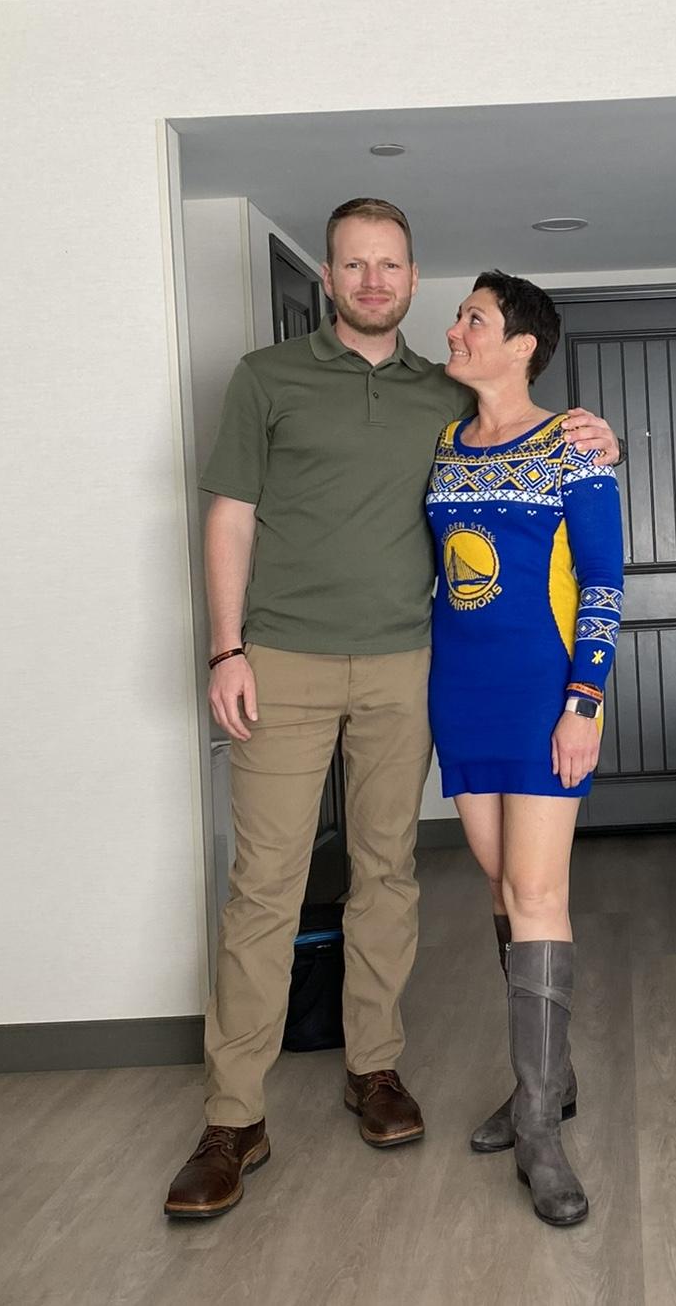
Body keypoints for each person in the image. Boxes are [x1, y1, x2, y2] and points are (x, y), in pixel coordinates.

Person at [163, 201, 618, 1220]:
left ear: (411, 278)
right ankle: (233, 1119)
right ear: (329, 277)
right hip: (285, 658)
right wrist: (226, 648)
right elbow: (230, 515)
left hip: (409, 667)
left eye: (393, 266)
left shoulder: (444, 397)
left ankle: (376, 1070)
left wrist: (600, 441)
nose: (375, 282)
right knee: (264, 886)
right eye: (355, 265)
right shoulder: (266, 378)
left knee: (389, 874)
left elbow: (547, 458)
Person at [426, 271, 623, 1226]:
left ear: (522, 347)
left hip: (545, 695)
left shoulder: (574, 448)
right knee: (504, 888)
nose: (455, 330)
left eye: (475, 319)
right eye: (460, 315)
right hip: (460, 695)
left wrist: (584, 703)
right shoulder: (442, 443)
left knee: (540, 893)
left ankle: (540, 1129)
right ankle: (552, 1077)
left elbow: (604, 584)